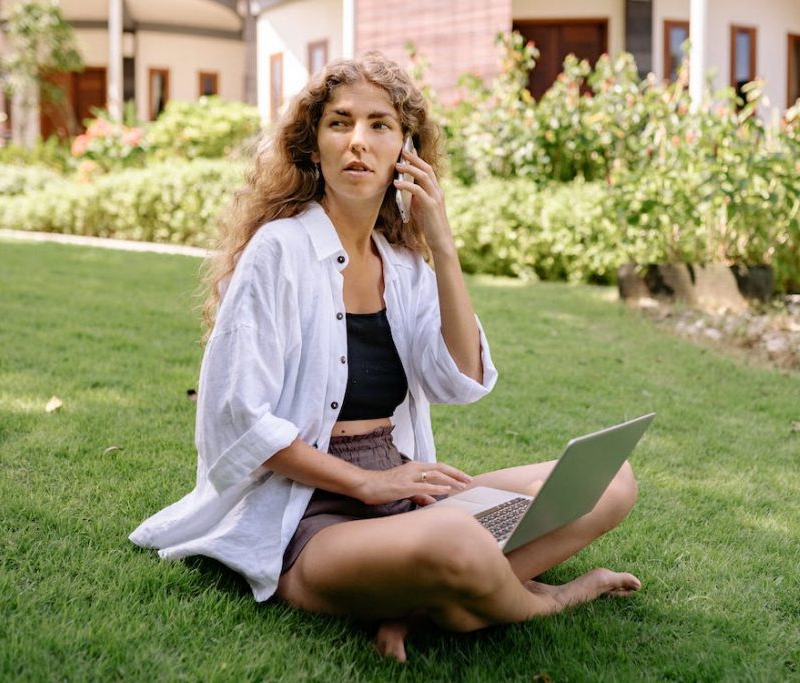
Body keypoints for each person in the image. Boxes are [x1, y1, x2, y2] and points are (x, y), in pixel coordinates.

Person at [130, 51, 640, 662]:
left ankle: (414, 608)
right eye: (339, 123)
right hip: (308, 515)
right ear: (312, 145)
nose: (358, 142)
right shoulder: (279, 251)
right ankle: (540, 600)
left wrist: (442, 245)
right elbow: (238, 417)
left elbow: (461, 380)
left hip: (402, 489)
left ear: (406, 149)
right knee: (460, 537)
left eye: (380, 125)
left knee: (610, 481)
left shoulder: (403, 266)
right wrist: (368, 484)